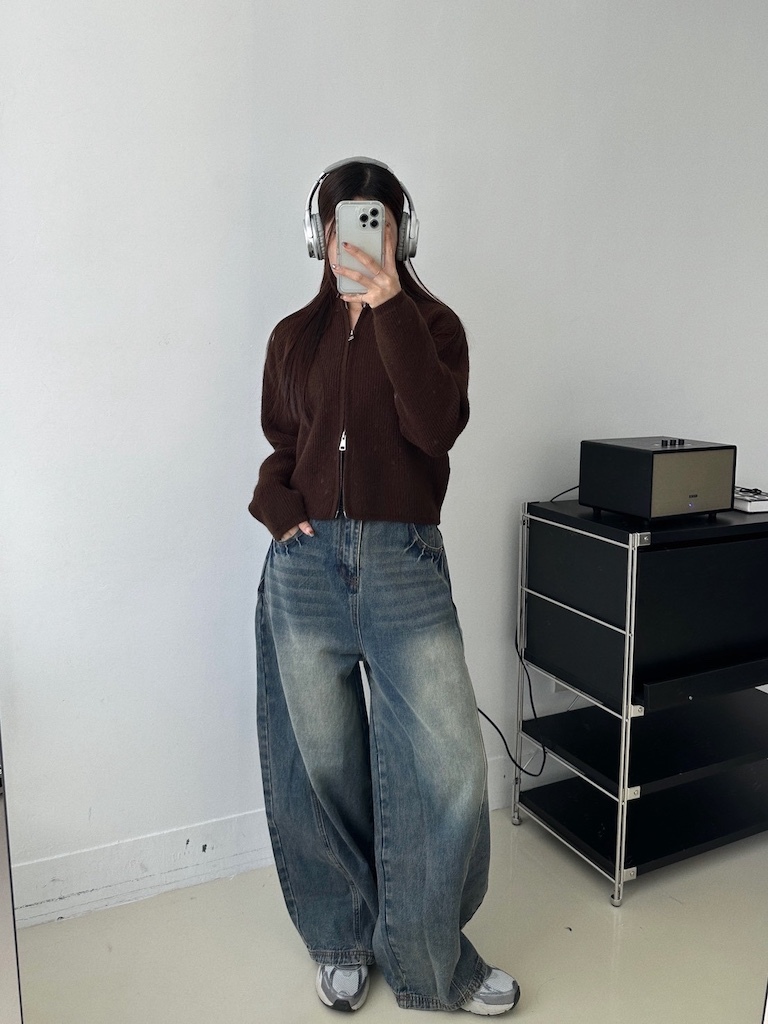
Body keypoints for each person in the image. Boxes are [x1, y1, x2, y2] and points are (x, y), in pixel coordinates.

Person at [249, 157, 520, 1015]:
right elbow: (284, 444)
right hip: (304, 569)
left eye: (377, 224)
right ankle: (340, 936)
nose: (357, 241)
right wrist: (274, 502)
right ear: (318, 235)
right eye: (341, 225)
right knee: (319, 767)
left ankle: (431, 959)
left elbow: (435, 429)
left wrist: (391, 306)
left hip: (403, 563)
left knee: (448, 771)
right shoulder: (291, 338)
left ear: (401, 234)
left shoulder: (434, 326)